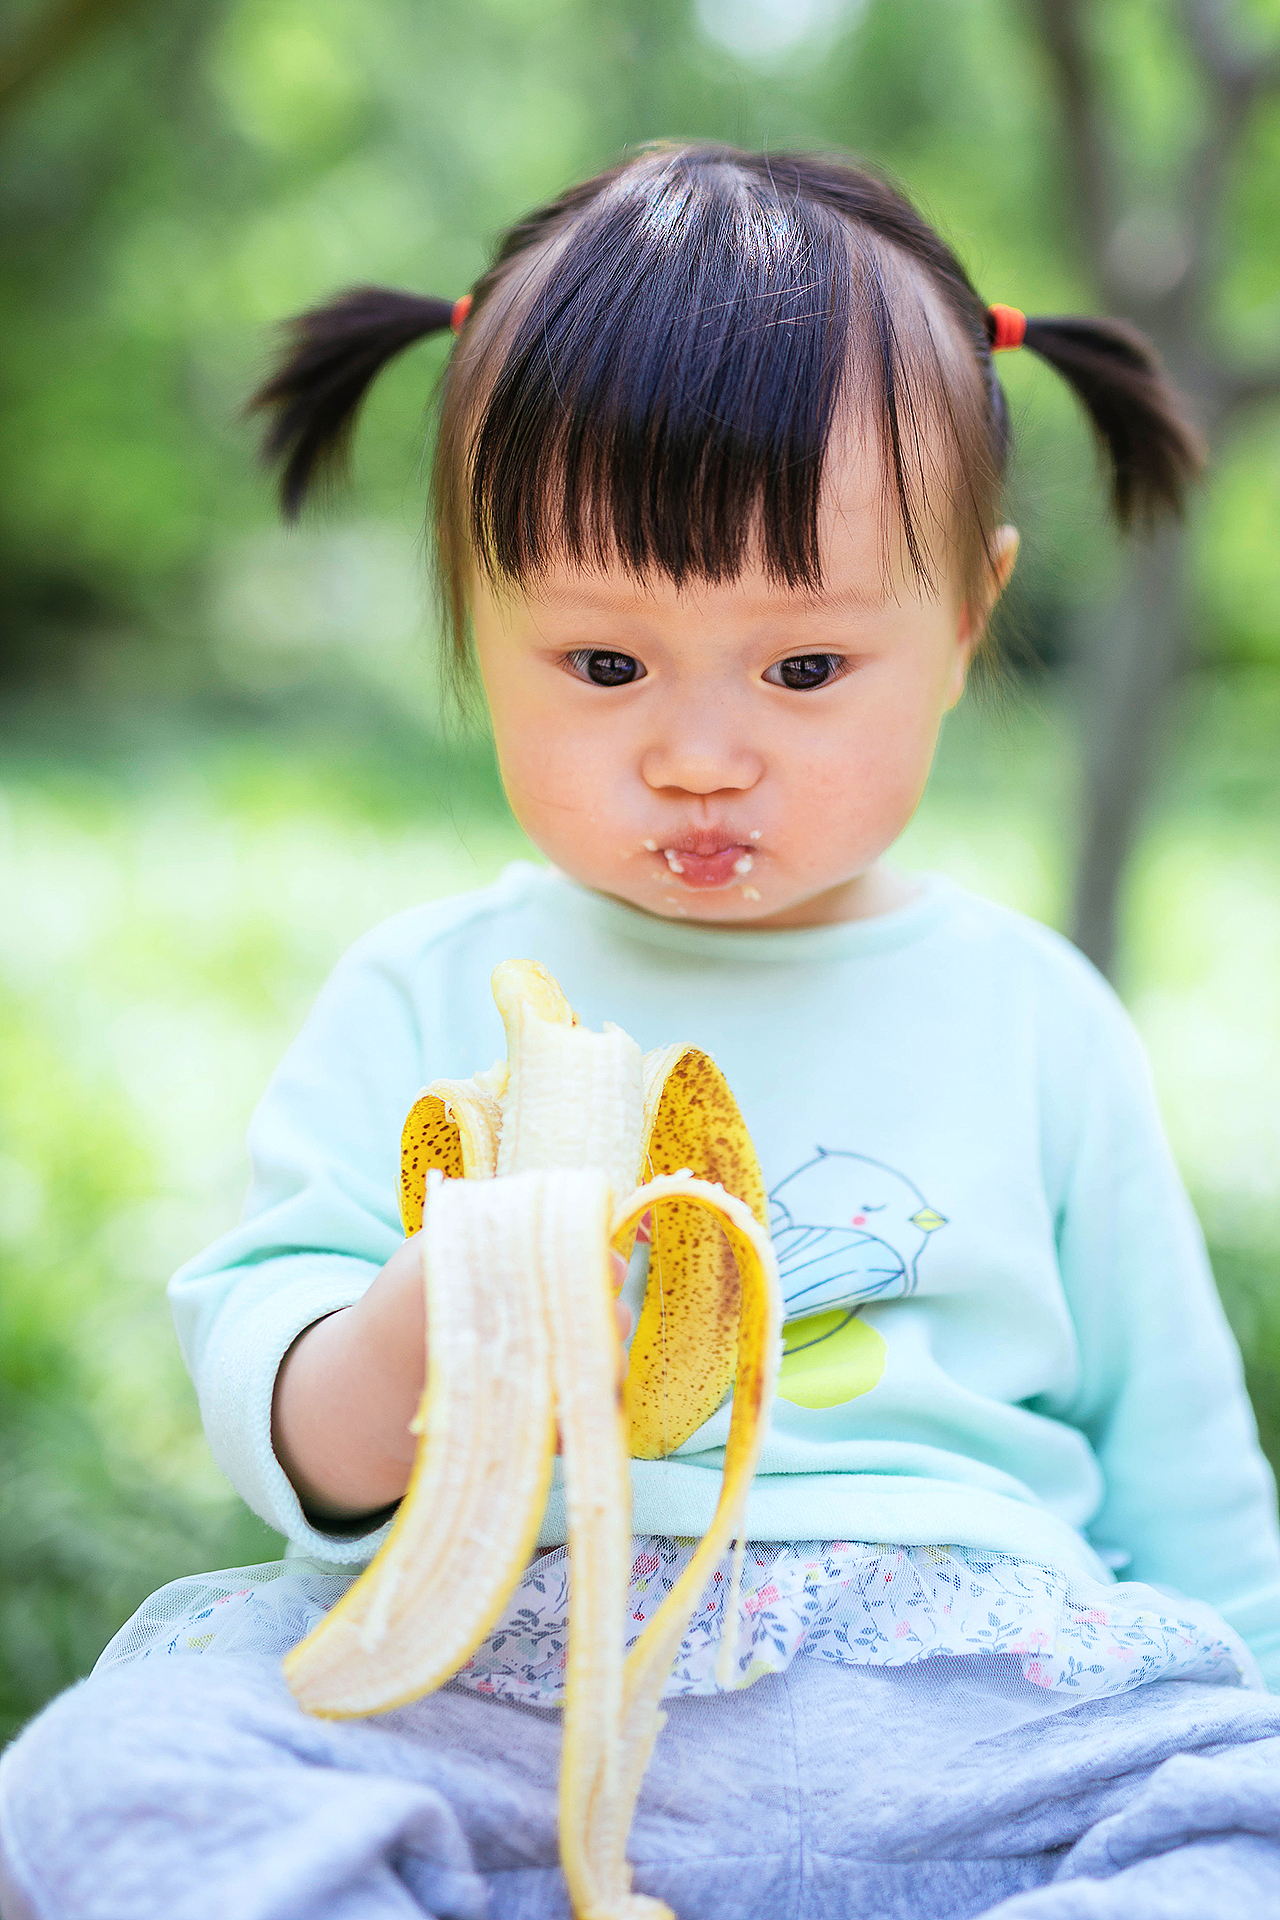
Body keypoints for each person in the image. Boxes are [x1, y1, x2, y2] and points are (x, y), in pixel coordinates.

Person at [3, 142, 1280, 1920]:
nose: (698, 753)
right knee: (100, 1788)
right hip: (496, 1695)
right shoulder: (421, 990)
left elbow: (1186, 1475)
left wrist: (1240, 1725)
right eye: (604, 668)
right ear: (475, 610)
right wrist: (410, 1336)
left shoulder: (1032, 1015)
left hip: (975, 1719)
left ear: (969, 619)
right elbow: (275, 1384)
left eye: (804, 670)